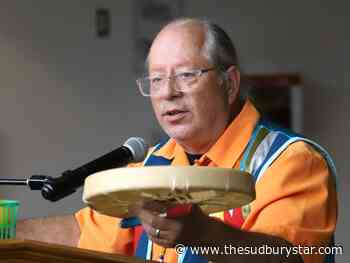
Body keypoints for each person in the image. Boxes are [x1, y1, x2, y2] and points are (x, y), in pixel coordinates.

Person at [17, 18, 337, 263]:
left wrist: (204, 235)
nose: (168, 93)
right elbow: (83, 234)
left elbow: (291, 257)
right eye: (157, 79)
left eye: (186, 75)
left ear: (229, 83)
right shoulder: (158, 162)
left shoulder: (293, 161)